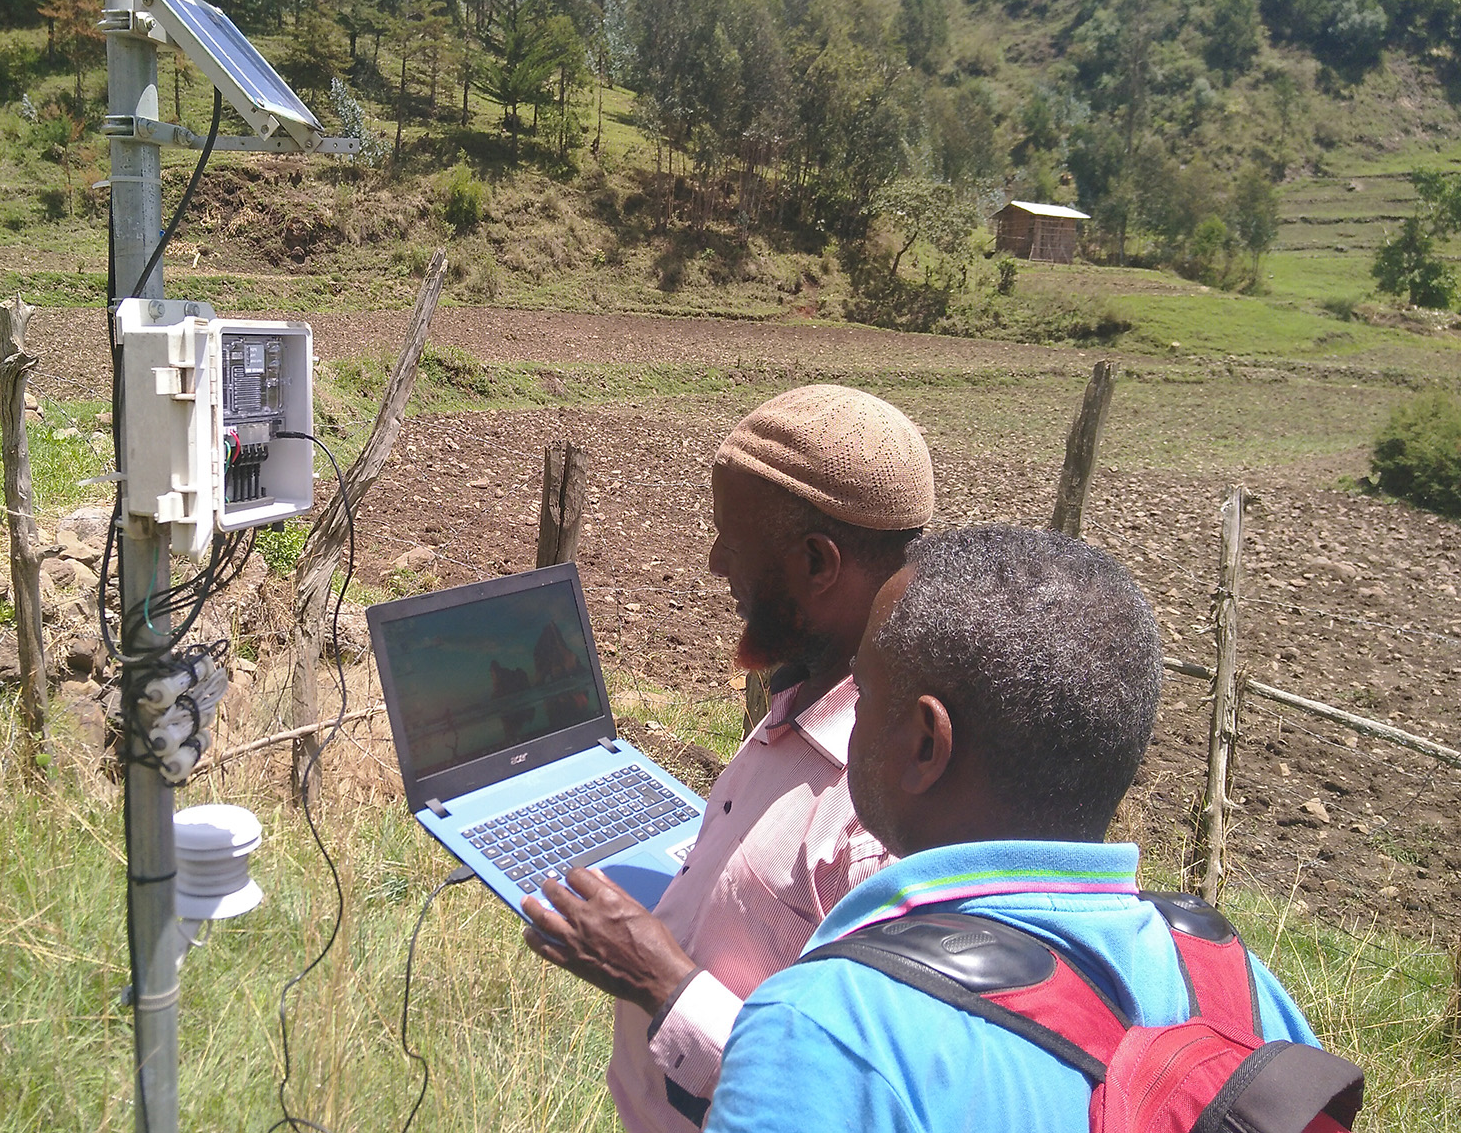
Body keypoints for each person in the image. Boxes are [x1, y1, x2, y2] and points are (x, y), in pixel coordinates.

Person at [703, 524, 1323, 1133]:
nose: (854, 711)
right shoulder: (1237, 987)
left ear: (925, 745)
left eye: (862, 688)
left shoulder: (824, 1027)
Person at [520, 385, 936, 1132]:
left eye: (731, 540)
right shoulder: (805, 695)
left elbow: (845, 1105)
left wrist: (659, 978)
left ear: (817, 563)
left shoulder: (879, 821)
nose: (716, 564)